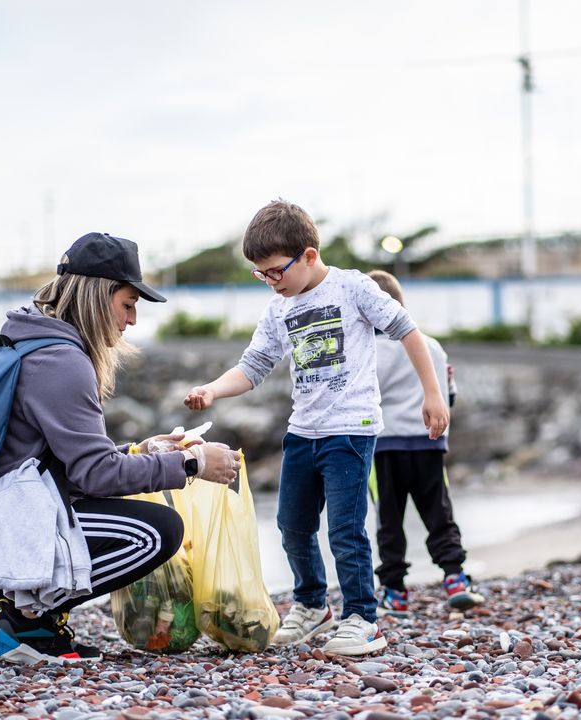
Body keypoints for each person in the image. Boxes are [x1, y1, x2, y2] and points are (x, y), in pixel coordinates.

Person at [0, 232, 241, 664]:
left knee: (139, 520)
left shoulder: (30, 340)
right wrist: (192, 463)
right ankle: (27, 624)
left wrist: (141, 451)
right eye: (128, 304)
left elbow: (61, 460)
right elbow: (94, 476)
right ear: (98, 296)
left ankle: (1, 597)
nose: (132, 319)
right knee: (156, 533)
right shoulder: (62, 362)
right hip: (7, 524)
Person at [183, 200, 450, 656]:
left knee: (345, 529)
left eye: (274, 271)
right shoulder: (278, 309)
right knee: (292, 524)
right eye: (261, 274)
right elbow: (254, 366)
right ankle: (311, 605)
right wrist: (211, 390)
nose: (270, 281)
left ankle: (363, 618)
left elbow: (408, 331)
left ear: (308, 255)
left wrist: (433, 394)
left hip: (351, 427)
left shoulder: (352, 288)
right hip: (303, 430)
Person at [365, 270, 483, 617]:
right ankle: (455, 578)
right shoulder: (430, 346)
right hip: (428, 444)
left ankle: (396, 591)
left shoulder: (366, 350)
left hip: (384, 448)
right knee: (438, 512)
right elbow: (450, 395)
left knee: (389, 519)